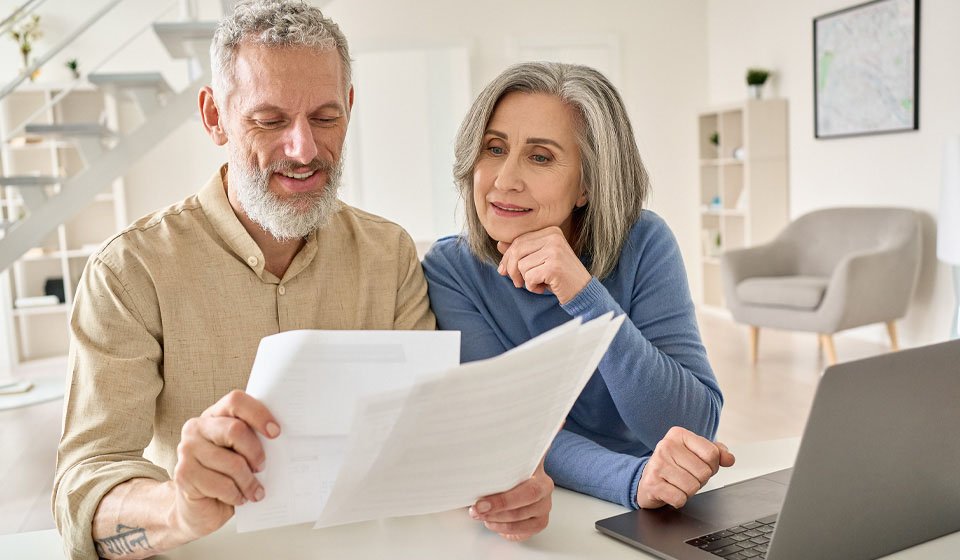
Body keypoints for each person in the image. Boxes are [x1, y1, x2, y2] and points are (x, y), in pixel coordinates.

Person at [53, 3, 550, 558]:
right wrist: (176, 508)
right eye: (269, 121)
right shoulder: (130, 271)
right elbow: (85, 482)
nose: (304, 150)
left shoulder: (389, 255)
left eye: (325, 117)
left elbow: (429, 438)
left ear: (351, 108)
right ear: (214, 116)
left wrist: (504, 480)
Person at [422, 62, 735, 516]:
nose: (504, 179)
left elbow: (691, 424)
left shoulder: (644, 242)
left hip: (652, 500)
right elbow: (507, 427)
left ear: (587, 184)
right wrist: (631, 480)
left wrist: (586, 297)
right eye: (494, 148)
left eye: (540, 156)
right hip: (536, 500)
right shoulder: (451, 268)